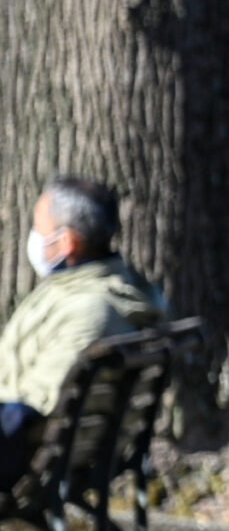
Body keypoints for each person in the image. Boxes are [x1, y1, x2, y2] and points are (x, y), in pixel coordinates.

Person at [0, 177, 165, 488]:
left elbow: (27, 410)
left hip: (24, 456)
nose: (34, 235)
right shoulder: (82, 287)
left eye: (39, 226)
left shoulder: (90, 310)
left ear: (66, 242)